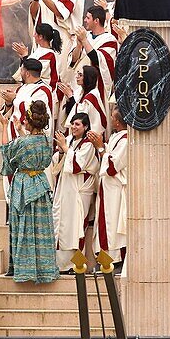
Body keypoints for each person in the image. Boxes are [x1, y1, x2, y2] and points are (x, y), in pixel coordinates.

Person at [0, 100, 59, 284]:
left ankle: (25, 270)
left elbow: (7, 153)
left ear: (29, 121)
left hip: (24, 185)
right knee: (41, 226)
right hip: (40, 183)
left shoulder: (23, 143)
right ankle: (44, 269)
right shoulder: (47, 141)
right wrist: (21, 130)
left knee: (24, 225)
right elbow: (30, 145)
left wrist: (4, 126)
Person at [51, 113, 99, 273]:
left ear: (85, 127)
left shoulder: (89, 144)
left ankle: (76, 265)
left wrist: (65, 148)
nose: (73, 127)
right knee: (62, 225)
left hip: (80, 189)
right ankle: (61, 265)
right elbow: (61, 160)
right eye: (72, 124)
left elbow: (78, 165)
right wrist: (61, 151)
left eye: (77, 124)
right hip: (66, 187)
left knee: (76, 226)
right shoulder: (70, 140)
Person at [90, 108, 127, 264]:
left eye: (112, 117)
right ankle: (105, 258)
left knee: (112, 224)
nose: (111, 120)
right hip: (107, 187)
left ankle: (114, 259)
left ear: (117, 122)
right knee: (105, 222)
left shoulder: (125, 140)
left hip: (116, 189)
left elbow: (112, 167)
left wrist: (100, 147)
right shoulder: (115, 137)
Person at [0, 58, 54, 150]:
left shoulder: (43, 90)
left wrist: (14, 99)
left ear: (27, 73)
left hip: (30, 140)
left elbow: (35, 110)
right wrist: (8, 102)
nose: (20, 73)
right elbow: (12, 111)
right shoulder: (21, 88)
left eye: (21, 70)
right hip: (14, 135)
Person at [68, 6, 118, 105]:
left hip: (96, 85)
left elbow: (98, 60)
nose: (85, 20)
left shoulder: (109, 39)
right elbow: (73, 61)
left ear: (96, 20)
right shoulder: (85, 35)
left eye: (88, 18)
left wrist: (84, 41)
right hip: (78, 84)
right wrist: (78, 46)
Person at [11, 23, 62, 95]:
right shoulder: (39, 51)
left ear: (40, 36)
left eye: (35, 33)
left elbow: (35, 73)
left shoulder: (49, 55)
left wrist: (25, 56)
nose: (33, 36)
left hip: (43, 91)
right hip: (33, 88)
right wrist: (23, 58)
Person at [59, 66, 106, 137]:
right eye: (77, 74)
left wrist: (70, 96)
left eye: (80, 75)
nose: (77, 77)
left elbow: (80, 116)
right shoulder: (79, 91)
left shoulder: (92, 95)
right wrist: (69, 97)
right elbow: (71, 111)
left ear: (87, 78)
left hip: (87, 135)